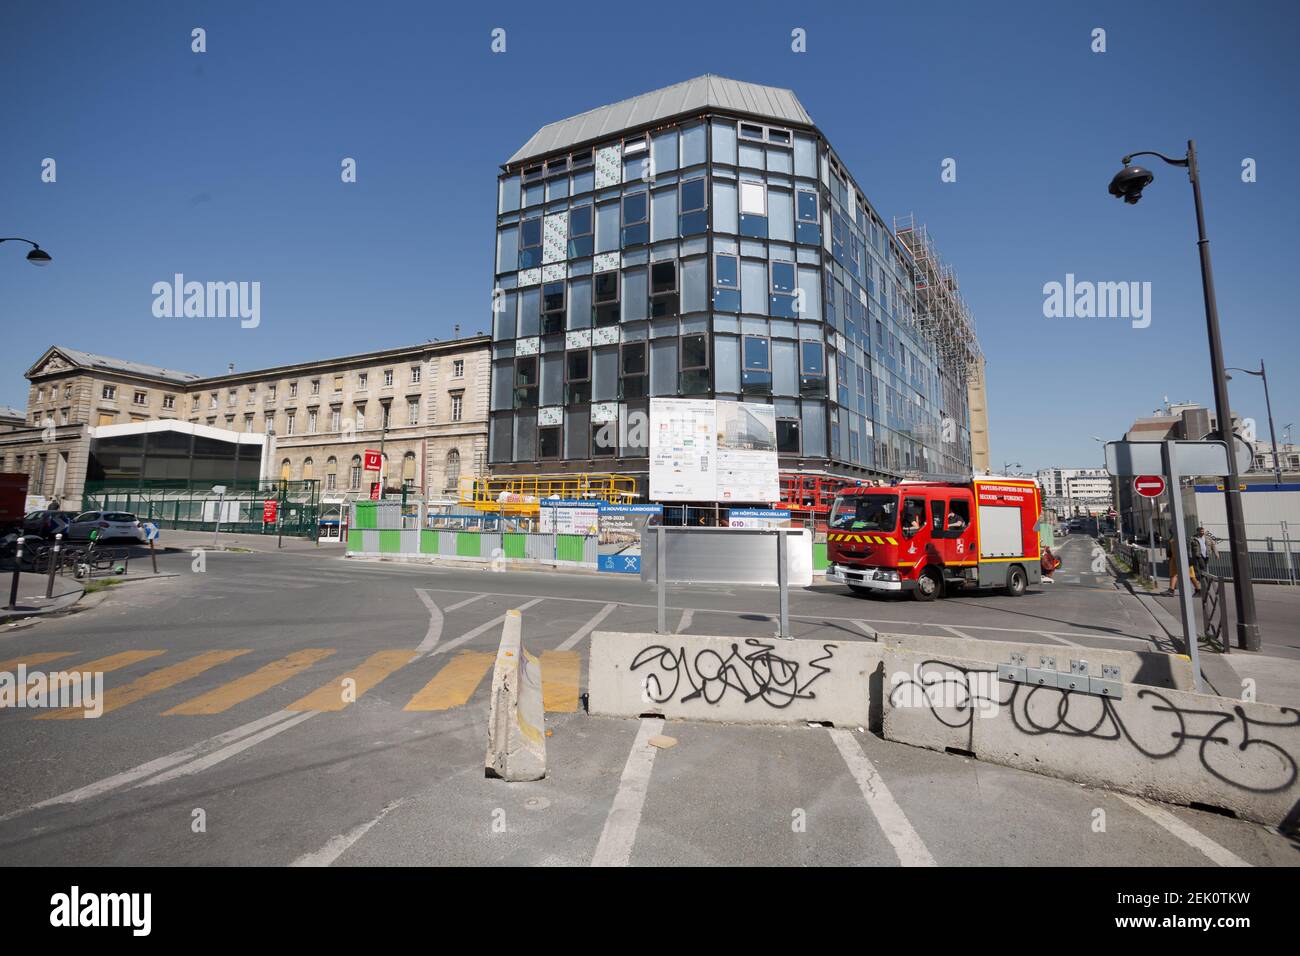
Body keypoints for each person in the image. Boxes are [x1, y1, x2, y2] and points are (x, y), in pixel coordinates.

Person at [1189, 526, 1217, 594]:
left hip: (1206, 555)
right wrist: (1190, 555)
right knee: (1202, 567)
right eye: (1201, 531)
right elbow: (1189, 547)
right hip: (1199, 555)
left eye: (1203, 531)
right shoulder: (1193, 538)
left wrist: (1216, 554)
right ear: (1197, 531)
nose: (1202, 532)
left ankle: (1204, 580)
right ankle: (1204, 580)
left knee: (1203, 568)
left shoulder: (1207, 538)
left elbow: (1213, 545)